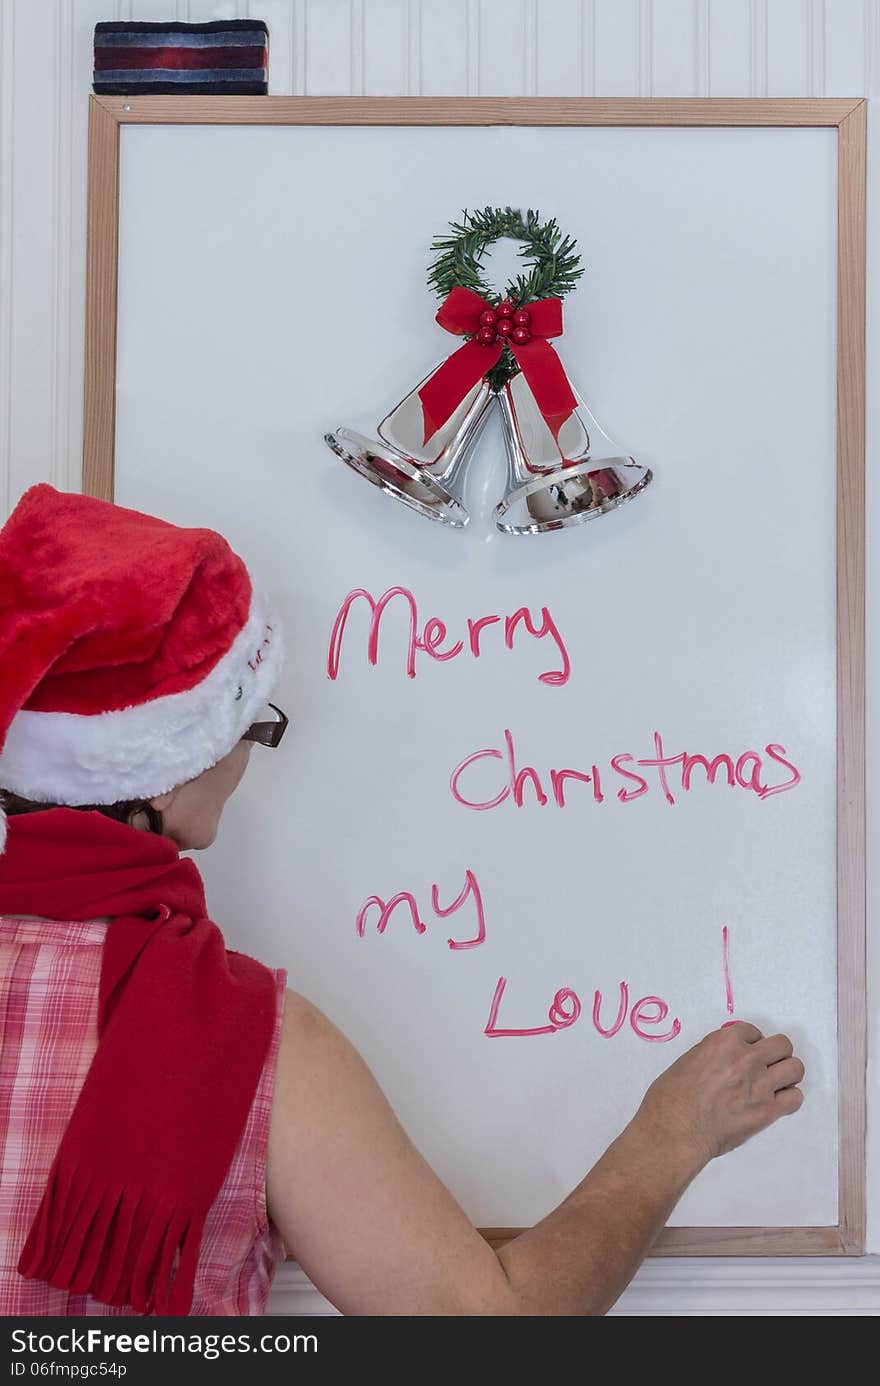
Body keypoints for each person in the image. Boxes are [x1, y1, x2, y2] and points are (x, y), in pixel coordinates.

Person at [0, 484, 805, 1317]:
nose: (251, 755)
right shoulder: (242, 1040)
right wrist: (674, 1133)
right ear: (160, 774)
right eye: (249, 726)